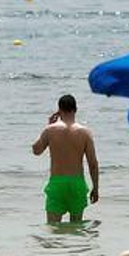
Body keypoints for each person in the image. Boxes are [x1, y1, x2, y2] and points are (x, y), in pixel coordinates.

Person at [31, 94, 99, 222]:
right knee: (77, 228)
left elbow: (36, 150)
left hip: (57, 183)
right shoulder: (85, 133)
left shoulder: (50, 130)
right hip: (77, 183)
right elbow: (93, 164)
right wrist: (95, 188)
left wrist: (48, 125)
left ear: (59, 110)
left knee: (53, 226)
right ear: (75, 109)